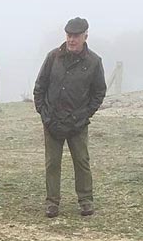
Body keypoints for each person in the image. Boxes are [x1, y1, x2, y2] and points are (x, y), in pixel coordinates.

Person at [33, 17, 107, 218]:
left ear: (85, 36)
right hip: (52, 121)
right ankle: (52, 202)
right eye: (69, 35)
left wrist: (85, 114)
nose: (72, 40)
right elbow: (40, 86)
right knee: (52, 163)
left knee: (82, 161)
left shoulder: (94, 62)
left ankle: (86, 200)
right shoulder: (52, 57)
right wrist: (44, 113)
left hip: (78, 123)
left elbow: (99, 92)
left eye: (76, 36)